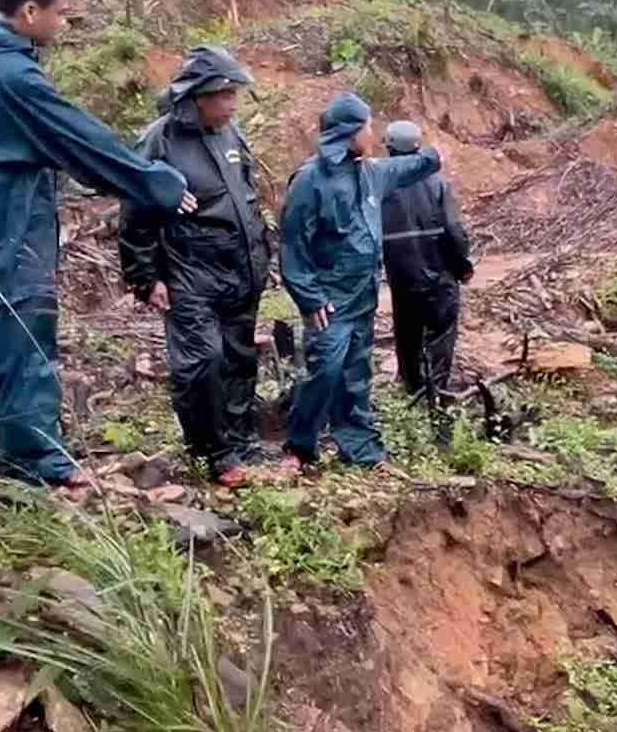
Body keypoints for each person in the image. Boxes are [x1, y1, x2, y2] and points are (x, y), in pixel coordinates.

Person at [0, 0, 193, 493]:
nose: (64, 24)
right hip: (9, 227)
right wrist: (158, 183)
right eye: (62, 14)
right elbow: (79, 142)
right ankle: (35, 459)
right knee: (27, 341)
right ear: (29, 11)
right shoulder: (13, 77)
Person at [118, 47, 277, 487]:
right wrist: (144, 277)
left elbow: (246, 196)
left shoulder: (231, 134)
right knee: (200, 362)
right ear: (199, 96)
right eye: (225, 94)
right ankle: (213, 450)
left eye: (234, 93)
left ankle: (241, 441)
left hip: (241, 269)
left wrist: (262, 253)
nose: (233, 103)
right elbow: (134, 211)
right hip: (189, 273)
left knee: (240, 358)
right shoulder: (161, 139)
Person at [279, 94, 441, 471]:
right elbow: (292, 245)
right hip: (329, 301)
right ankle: (300, 446)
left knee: (356, 372)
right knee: (325, 369)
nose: (373, 132)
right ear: (350, 132)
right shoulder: (309, 180)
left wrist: (434, 157)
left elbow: (407, 168)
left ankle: (361, 449)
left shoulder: (369, 173)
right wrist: (309, 297)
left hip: (363, 295)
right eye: (367, 126)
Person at [378, 121, 473, 442]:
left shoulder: (378, 186)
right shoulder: (437, 184)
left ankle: (411, 394)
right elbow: (453, 232)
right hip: (439, 279)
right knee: (441, 339)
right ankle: (438, 402)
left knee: (407, 338)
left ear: (389, 147)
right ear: (418, 148)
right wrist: (464, 267)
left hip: (402, 281)